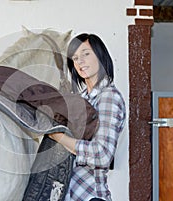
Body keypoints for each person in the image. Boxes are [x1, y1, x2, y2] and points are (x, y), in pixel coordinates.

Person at [48, 33, 126, 201]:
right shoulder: (81, 100)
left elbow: (102, 155)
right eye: (75, 58)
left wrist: (58, 137)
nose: (80, 61)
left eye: (86, 54)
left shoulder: (108, 97)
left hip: (90, 196)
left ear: (100, 54)